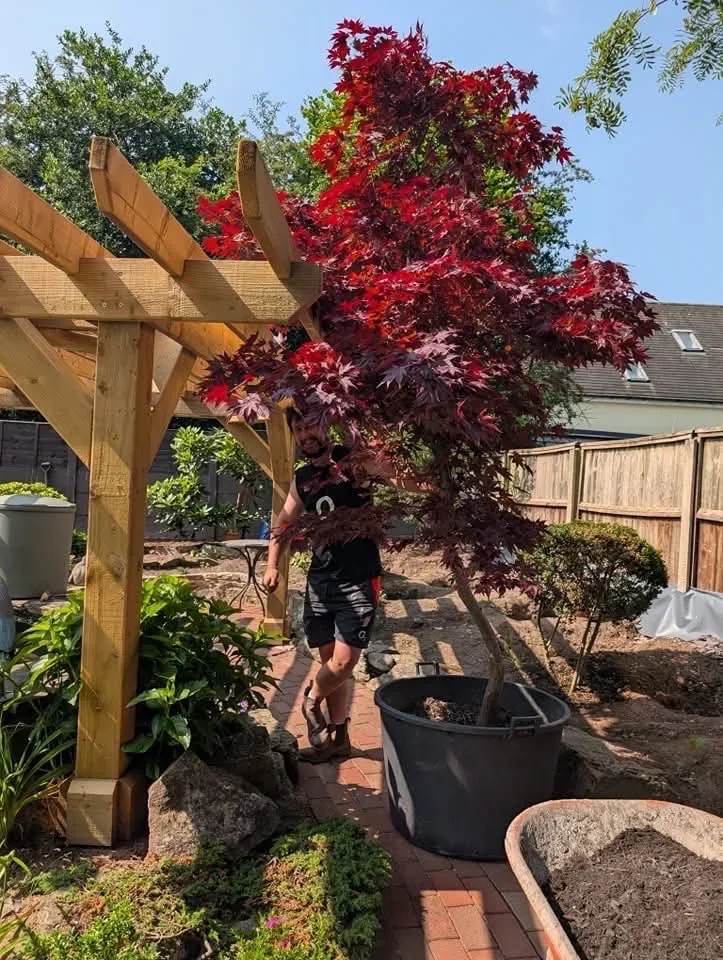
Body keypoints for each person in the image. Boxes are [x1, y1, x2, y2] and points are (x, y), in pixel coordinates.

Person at [263, 408, 403, 763]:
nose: (305, 433)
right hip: (320, 580)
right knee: (330, 661)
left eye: (311, 424)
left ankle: (311, 699)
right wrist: (272, 564)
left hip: (358, 578)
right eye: (298, 428)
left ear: (328, 424)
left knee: (342, 663)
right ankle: (339, 738)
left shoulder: (353, 462)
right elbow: (284, 522)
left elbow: (396, 474)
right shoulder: (302, 477)